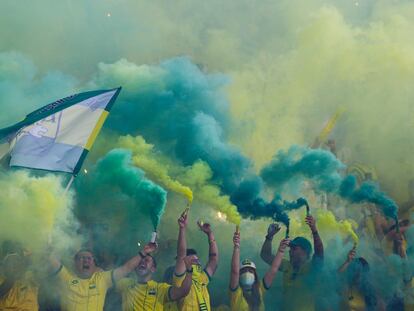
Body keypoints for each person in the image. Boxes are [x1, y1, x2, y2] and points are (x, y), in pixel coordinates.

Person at [49, 243, 157, 311]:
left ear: (94, 263)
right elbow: (50, 258)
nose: (86, 260)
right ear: (75, 263)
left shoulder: (102, 279)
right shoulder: (66, 278)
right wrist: (48, 244)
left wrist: (144, 252)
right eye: (82, 258)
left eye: (89, 258)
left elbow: (126, 268)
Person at [260, 216, 324, 310]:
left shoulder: (312, 267)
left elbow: (319, 253)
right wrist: (269, 237)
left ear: (305, 252)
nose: (290, 251)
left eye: (294, 248)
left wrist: (314, 230)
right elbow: (265, 255)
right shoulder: (287, 265)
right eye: (290, 248)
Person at [116, 242, 194, 311]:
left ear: (153, 269)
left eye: (146, 260)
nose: (142, 262)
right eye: (140, 261)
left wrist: (189, 270)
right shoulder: (125, 284)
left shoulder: (160, 289)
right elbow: (107, 276)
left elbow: (183, 291)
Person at [229, 229, 288, 311]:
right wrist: (236, 246)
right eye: (244, 271)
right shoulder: (236, 293)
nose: (247, 273)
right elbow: (234, 271)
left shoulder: (259, 289)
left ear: (255, 275)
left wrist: (281, 250)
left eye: (250, 271)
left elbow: (273, 270)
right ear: (239, 275)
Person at [174, 210, 219, 311]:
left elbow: (214, 260)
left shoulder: (202, 278)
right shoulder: (180, 279)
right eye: (193, 260)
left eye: (197, 260)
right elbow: (181, 254)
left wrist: (210, 234)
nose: (197, 262)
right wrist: (182, 229)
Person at [0, 246, 39, 310]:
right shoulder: (2, 281)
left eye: (17, 263)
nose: (15, 267)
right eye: (11, 264)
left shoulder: (30, 279)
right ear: (4, 267)